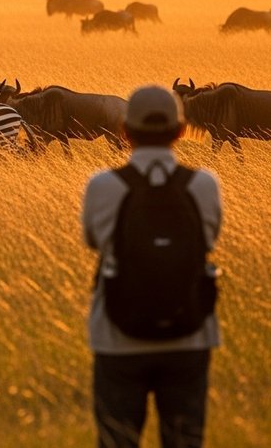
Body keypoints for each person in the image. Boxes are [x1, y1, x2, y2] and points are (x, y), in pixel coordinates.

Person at [82, 86, 222, 448]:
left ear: (125, 131)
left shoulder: (102, 185)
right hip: (190, 335)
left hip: (117, 337)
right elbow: (208, 240)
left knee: (116, 441)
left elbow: (94, 241)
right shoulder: (205, 184)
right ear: (181, 131)